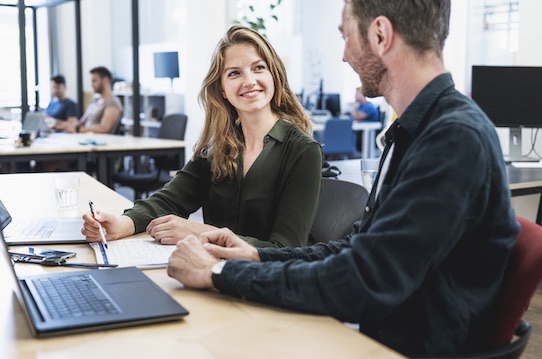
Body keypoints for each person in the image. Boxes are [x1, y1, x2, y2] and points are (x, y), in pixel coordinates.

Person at [166, 1, 519, 357]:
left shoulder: (452, 139)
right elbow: (356, 248)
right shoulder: (418, 131)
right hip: (375, 334)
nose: (344, 56)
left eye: (345, 35)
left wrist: (219, 273)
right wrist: (256, 257)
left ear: (380, 35)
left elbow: (361, 282)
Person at [81, 26, 323, 248]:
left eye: (259, 68)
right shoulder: (219, 149)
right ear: (222, 91)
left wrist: (199, 233)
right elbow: (168, 201)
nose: (249, 81)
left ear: (274, 76)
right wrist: (121, 224)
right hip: (210, 275)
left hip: (267, 286)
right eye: (234, 73)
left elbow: (287, 249)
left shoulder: (303, 151)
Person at [67, 66, 122, 134]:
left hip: (99, 141)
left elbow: (104, 128)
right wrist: (66, 126)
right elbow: (81, 122)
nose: (91, 84)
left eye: (94, 81)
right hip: (85, 138)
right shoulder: (94, 100)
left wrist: (78, 129)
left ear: (105, 80)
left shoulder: (112, 102)